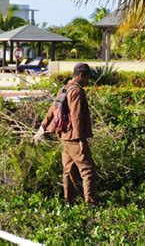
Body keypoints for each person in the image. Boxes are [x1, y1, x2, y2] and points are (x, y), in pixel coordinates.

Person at [34, 63, 96, 205]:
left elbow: (52, 109)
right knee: (88, 170)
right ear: (80, 76)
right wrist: (80, 139)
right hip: (74, 137)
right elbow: (76, 116)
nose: (87, 81)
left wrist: (42, 127)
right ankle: (91, 205)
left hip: (64, 136)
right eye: (87, 78)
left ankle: (69, 202)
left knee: (69, 170)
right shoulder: (77, 91)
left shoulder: (65, 88)